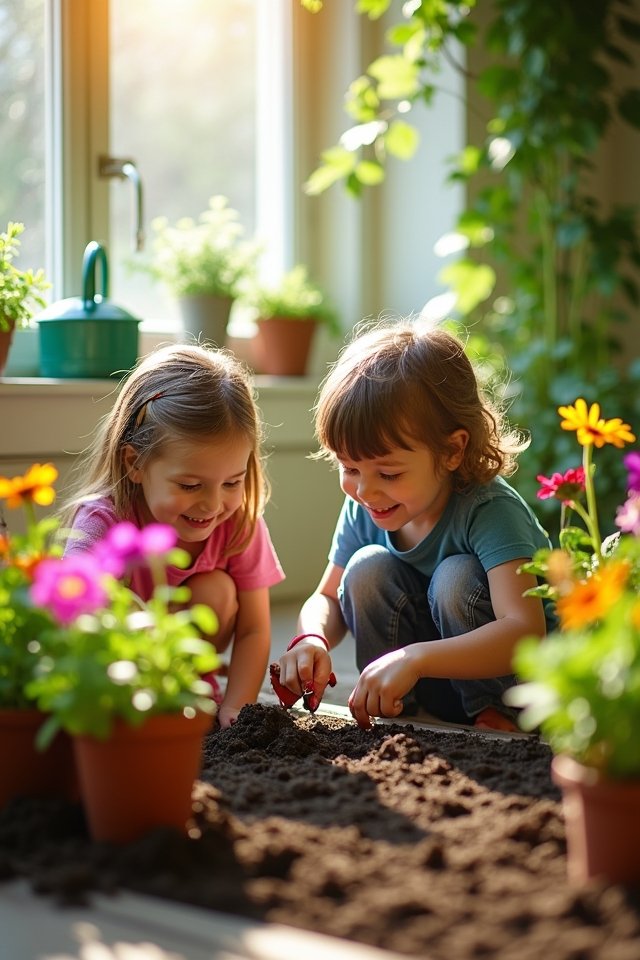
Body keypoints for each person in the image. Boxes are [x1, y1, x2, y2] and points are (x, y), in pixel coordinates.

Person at [274, 318, 556, 731]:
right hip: (429, 682)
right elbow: (327, 599)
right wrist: (311, 638)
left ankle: (497, 715)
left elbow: (523, 630)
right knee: (366, 567)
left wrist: (415, 658)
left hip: (520, 686)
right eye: (349, 467)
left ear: (452, 451)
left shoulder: (490, 509)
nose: (365, 490)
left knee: (454, 576)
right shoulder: (366, 504)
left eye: (388, 474)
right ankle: (391, 706)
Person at [60, 342, 285, 728]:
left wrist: (237, 709)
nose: (213, 505)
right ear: (135, 463)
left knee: (216, 590)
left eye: (232, 481)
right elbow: (72, 611)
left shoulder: (239, 521)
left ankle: (192, 687)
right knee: (111, 603)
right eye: (190, 485)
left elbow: (253, 628)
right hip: (114, 675)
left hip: (188, 658)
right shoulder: (103, 520)